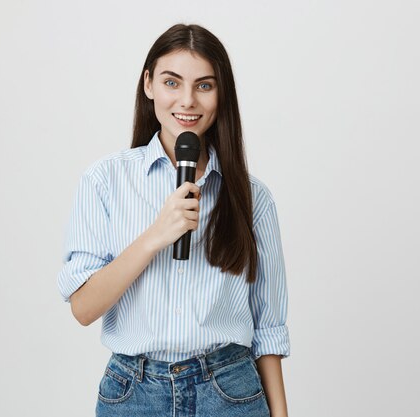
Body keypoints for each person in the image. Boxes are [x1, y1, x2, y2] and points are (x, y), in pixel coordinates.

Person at [57, 23, 291, 417]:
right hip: (134, 393)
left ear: (221, 94)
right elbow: (82, 308)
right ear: (148, 84)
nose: (187, 101)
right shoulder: (104, 181)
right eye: (171, 82)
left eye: (204, 85)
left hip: (230, 390)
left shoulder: (253, 198)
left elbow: (268, 329)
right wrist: (153, 237)